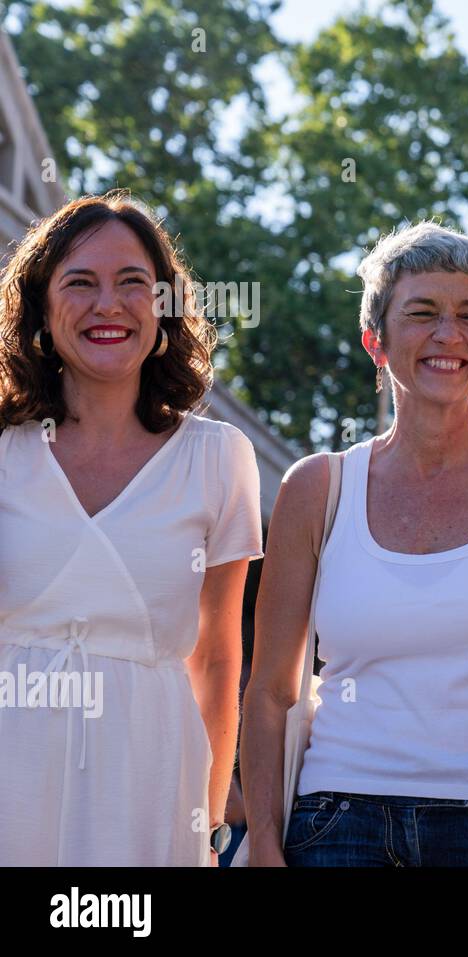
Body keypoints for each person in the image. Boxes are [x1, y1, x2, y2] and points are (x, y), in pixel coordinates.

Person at [240, 220, 468, 867]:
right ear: (377, 341)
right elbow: (272, 689)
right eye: (422, 313)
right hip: (338, 822)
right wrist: (261, 840)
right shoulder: (317, 487)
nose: (448, 335)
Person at [0, 191, 261, 865]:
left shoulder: (218, 458)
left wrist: (204, 829)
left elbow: (216, 659)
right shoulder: (3, 450)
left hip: (151, 783)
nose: (107, 304)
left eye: (132, 284)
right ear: (39, 305)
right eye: (79, 283)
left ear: (165, 304)